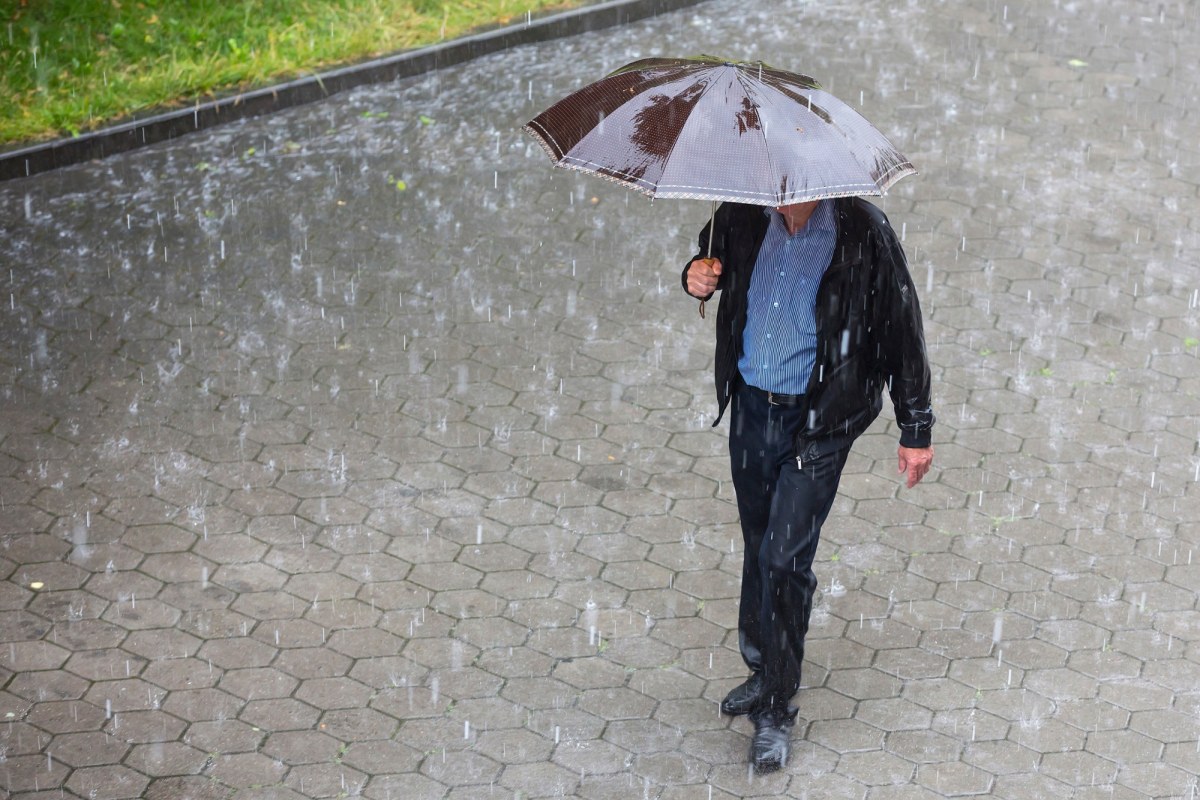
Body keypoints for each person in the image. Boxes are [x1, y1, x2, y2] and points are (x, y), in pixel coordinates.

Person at [681, 197, 935, 772]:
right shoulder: (742, 211)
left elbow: (901, 324)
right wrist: (695, 276)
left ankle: (775, 705)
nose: (776, 189)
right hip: (752, 409)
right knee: (759, 546)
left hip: (820, 421)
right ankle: (762, 666)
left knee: (783, 559)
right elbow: (708, 258)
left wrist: (916, 426)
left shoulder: (862, 229)